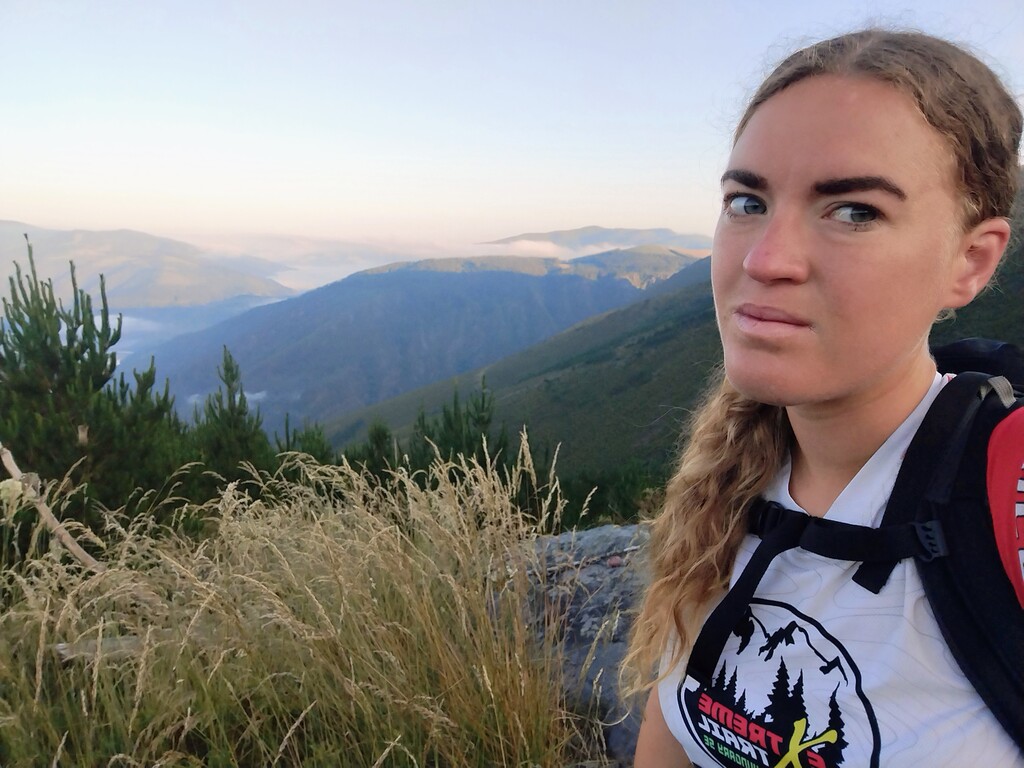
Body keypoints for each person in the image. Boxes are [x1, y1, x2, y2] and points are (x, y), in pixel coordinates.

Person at [623, 29, 1023, 767]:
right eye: (747, 201)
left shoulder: (1006, 504)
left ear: (970, 261)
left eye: (854, 212)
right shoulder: (725, 495)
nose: (766, 258)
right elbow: (673, 720)